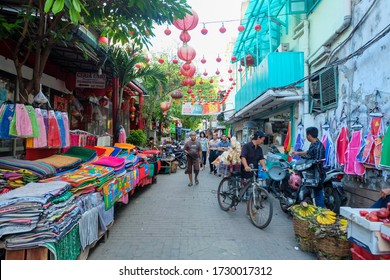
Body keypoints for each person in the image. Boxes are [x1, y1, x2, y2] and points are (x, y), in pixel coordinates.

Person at [292, 126, 326, 207]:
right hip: (312, 172)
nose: (306, 137)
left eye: (306, 135)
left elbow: (315, 161)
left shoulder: (318, 147)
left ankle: (320, 212)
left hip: (317, 174)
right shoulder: (314, 144)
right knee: (314, 192)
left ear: (309, 135)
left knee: (318, 193)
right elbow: (309, 153)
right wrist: (298, 153)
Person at [240, 131, 267, 201]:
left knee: (254, 192)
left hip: (254, 172)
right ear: (258, 138)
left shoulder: (259, 149)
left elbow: (261, 159)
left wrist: (264, 166)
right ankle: (250, 209)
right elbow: (243, 157)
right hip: (246, 172)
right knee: (249, 193)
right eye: (262, 140)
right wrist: (246, 166)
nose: (262, 142)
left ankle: (251, 209)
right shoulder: (246, 146)